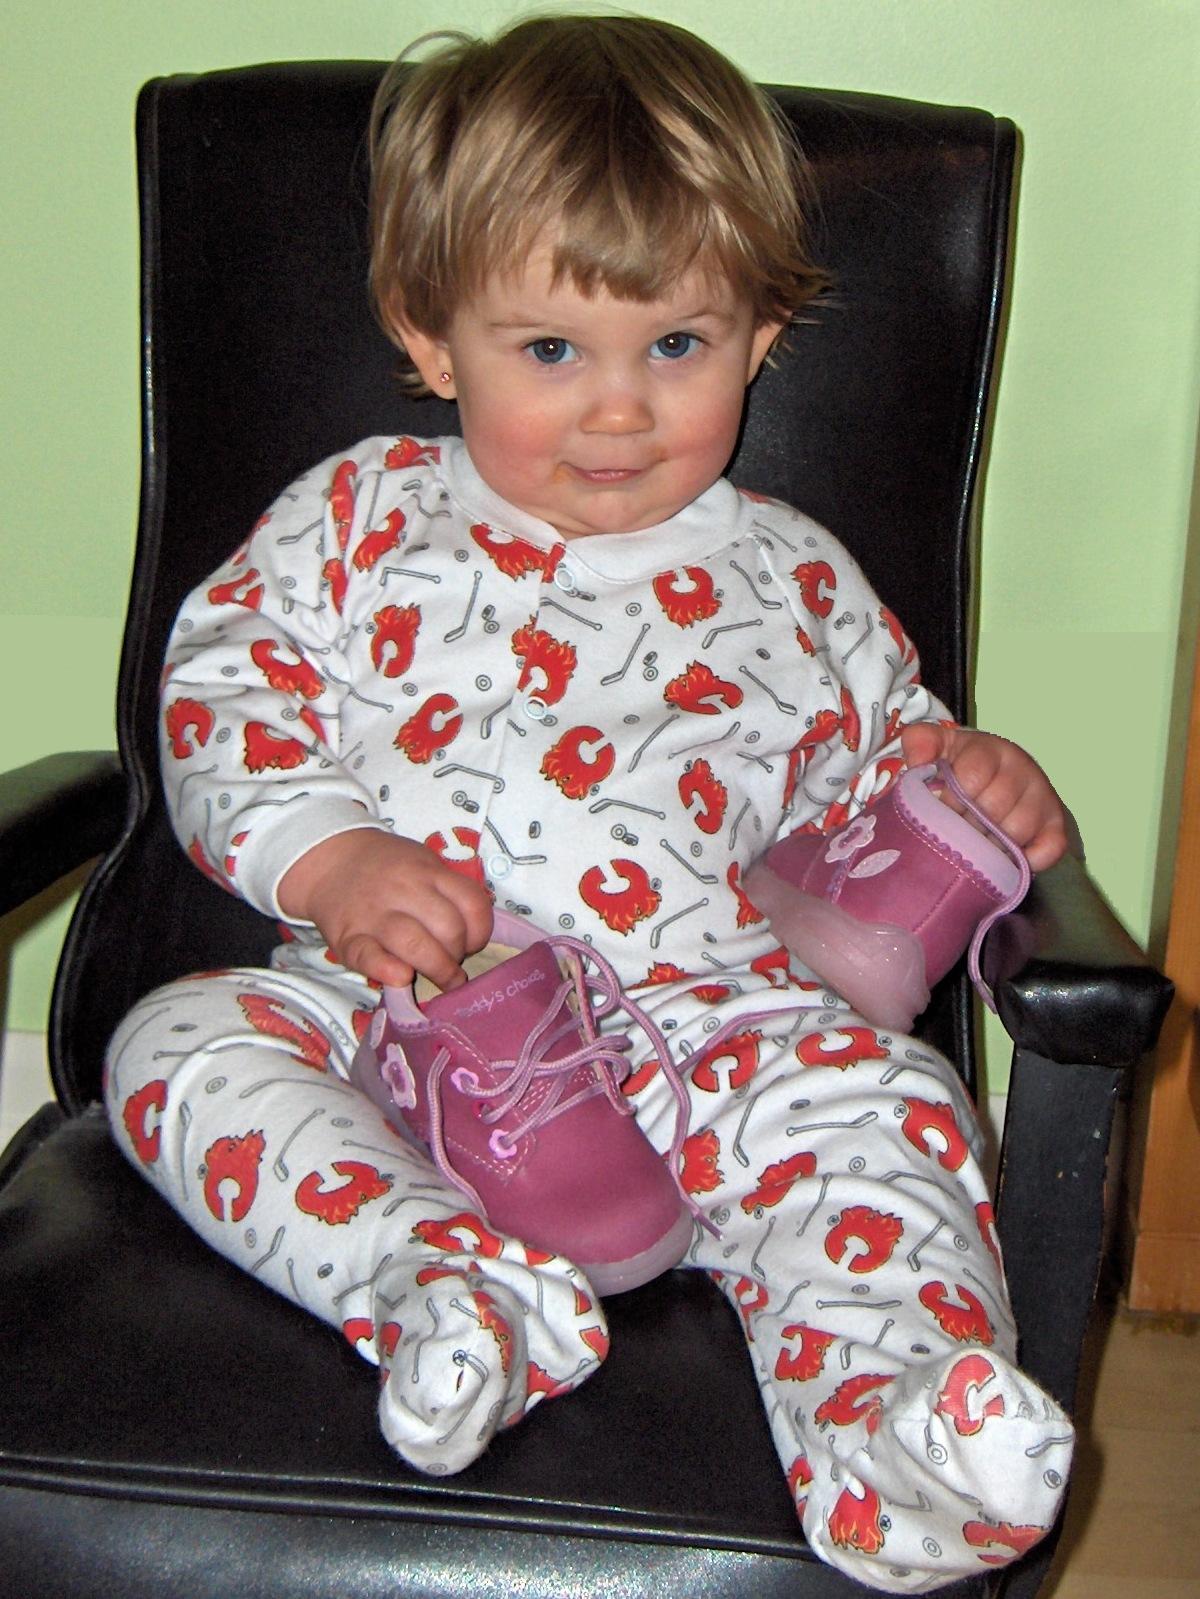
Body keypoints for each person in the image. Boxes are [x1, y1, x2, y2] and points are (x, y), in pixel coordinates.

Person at [105, 15, 1074, 1592]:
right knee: (178, 1048)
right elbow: (224, 691)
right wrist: (331, 860)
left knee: (891, 1113)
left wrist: (972, 778)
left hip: (714, 1027)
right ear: (433, 340)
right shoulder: (354, 521)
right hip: (411, 1020)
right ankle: (451, 1289)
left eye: (676, 346)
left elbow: (889, 765)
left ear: (760, 335)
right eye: (550, 352)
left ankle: (898, 1435)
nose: (619, 412)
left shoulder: (799, 578)